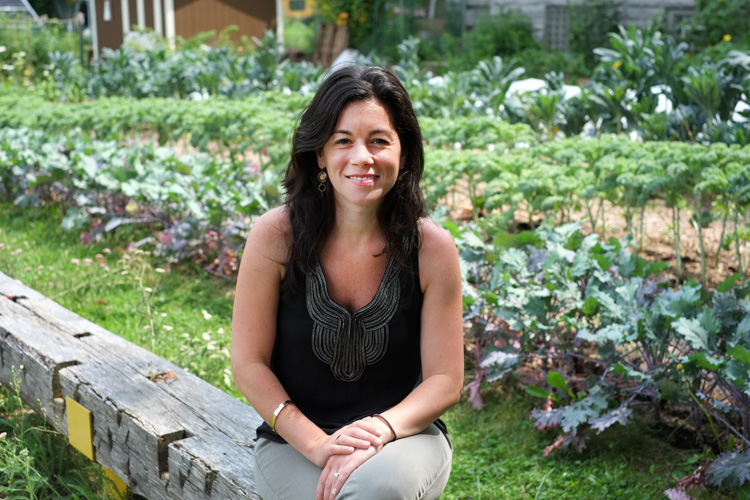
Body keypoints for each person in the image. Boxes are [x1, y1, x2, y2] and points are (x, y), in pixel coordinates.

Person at [231, 65, 464, 500]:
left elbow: (445, 379)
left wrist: (381, 429)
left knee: (378, 490)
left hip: (403, 437)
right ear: (319, 153)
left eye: (379, 141)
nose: (362, 157)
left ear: (404, 152)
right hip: (293, 442)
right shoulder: (275, 237)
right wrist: (317, 444)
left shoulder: (432, 248)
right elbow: (249, 364)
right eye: (343, 141)